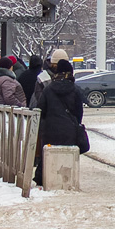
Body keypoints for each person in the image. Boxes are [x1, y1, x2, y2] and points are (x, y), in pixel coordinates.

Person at [34, 59, 85, 187]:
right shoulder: (75, 89)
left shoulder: (48, 89)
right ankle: (67, 180)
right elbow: (79, 112)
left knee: (48, 156)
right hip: (69, 131)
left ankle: (43, 179)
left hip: (50, 130)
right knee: (68, 155)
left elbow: (41, 109)